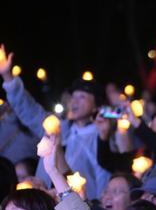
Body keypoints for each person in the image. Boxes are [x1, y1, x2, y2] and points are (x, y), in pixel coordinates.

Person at [0, 45, 111, 200]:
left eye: (82, 97)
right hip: (44, 204)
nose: (75, 101)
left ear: (96, 106)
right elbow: (29, 110)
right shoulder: (58, 127)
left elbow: (105, 175)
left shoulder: (103, 136)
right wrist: (8, 78)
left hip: (80, 208)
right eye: (73, 96)